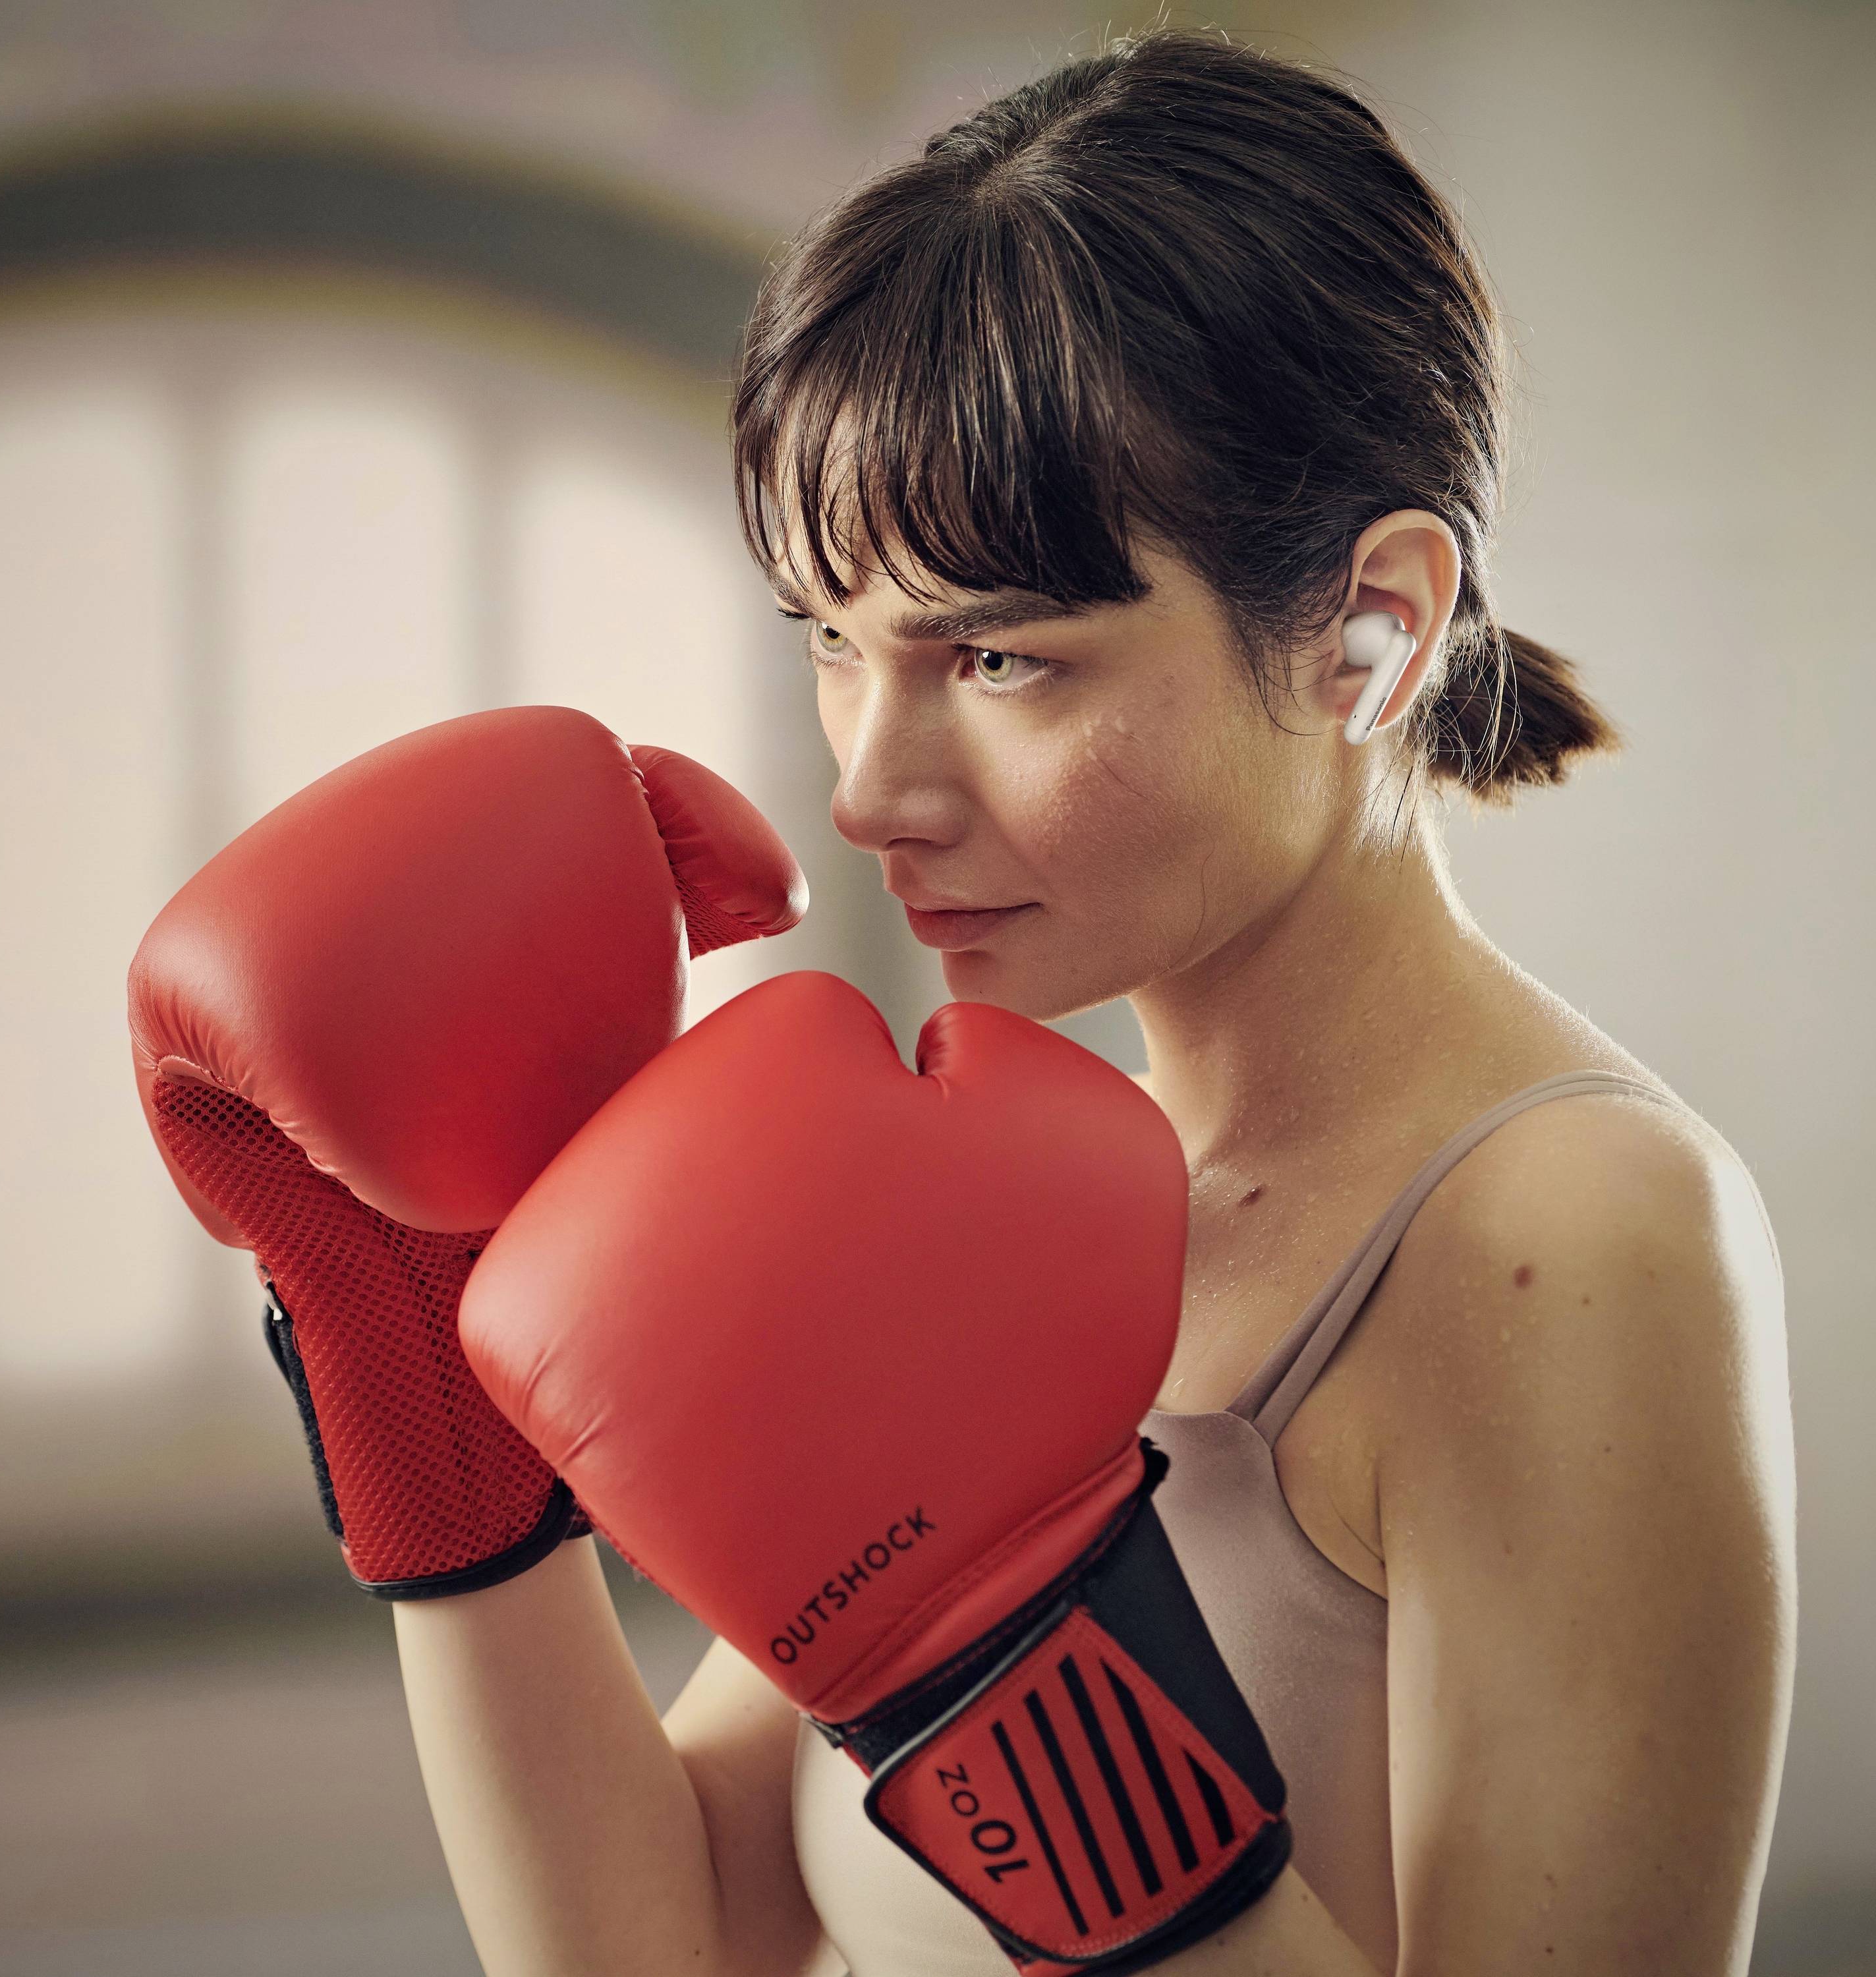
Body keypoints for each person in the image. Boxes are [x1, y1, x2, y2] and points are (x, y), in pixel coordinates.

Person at [391, 25, 1794, 1976]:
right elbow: (669, 1941)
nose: (868, 786)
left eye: (998, 662)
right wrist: (408, 1398)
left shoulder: (1570, 1238)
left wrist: (1012, 1689)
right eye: (836, 641)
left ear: (1369, 630)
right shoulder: (1025, 1198)